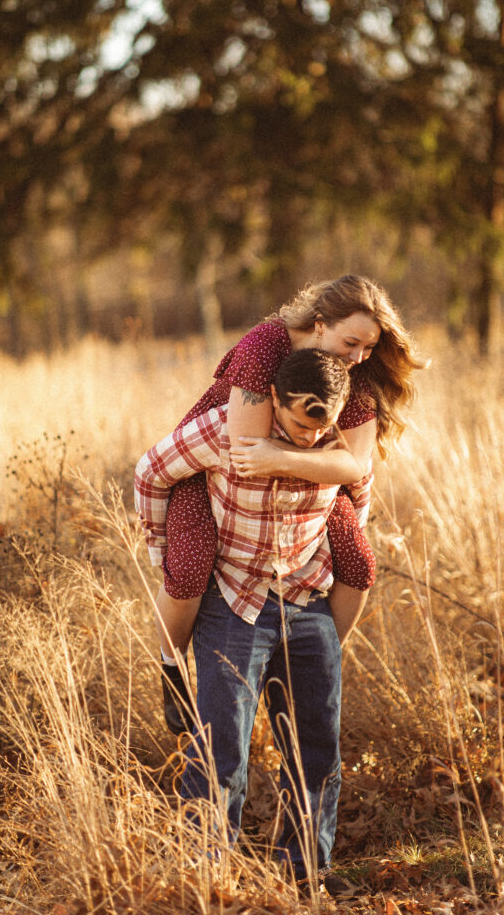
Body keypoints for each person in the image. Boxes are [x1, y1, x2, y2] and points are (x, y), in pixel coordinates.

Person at [134, 349, 371, 891]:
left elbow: (360, 496)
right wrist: (163, 550)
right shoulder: (227, 431)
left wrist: (333, 552)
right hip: (233, 604)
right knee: (223, 752)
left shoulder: (336, 444)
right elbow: (151, 472)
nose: (309, 440)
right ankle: (206, 875)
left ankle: (307, 872)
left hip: (308, 604)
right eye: (296, 425)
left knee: (316, 750)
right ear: (274, 404)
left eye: (321, 429)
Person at [154, 274, 424, 734]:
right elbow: (245, 452)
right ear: (319, 326)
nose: (359, 357)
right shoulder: (267, 346)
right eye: (351, 342)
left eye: (368, 348)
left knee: (357, 562)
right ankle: (170, 665)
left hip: (304, 484)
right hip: (209, 470)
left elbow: (355, 467)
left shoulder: (348, 379)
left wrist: (332, 515)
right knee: (191, 565)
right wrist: (156, 542)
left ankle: (307, 667)